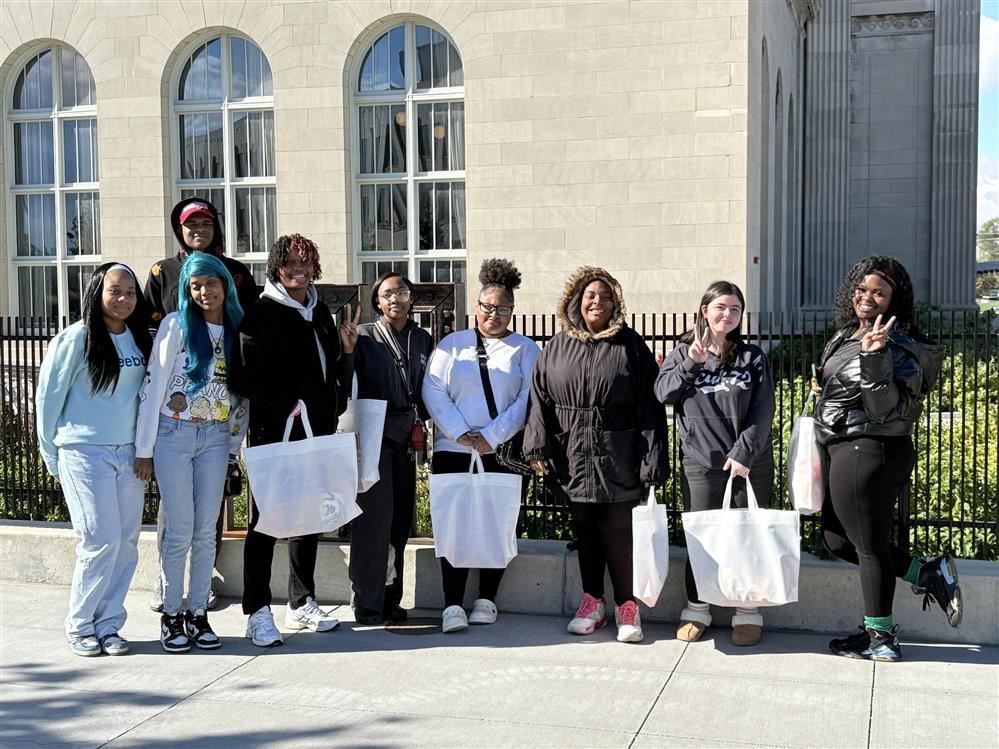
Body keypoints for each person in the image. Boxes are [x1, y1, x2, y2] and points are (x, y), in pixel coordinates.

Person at [815, 256, 957, 662]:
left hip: (870, 449)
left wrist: (875, 356)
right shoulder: (848, 333)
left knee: (870, 546)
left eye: (879, 292)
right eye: (862, 289)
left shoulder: (897, 345)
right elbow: (841, 387)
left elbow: (883, 409)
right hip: (844, 446)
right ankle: (928, 574)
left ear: (895, 298)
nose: (867, 297)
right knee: (836, 540)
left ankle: (881, 638)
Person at [524, 267, 668, 643]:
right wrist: (537, 444)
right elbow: (539, 398)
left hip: (618, 455)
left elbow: (649, 407)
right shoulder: (556, 346)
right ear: (575, 300)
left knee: (619, 534)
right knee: (585, 532)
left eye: (605, 297)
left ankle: (627, 605)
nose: (597, 302)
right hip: (572, 454)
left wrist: (653, 457)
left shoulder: (631, 346)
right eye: (590, 296)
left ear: (615, 304)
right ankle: (593, 602)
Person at [229, 233, 359, 647]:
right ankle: (256, 610)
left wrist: (346, 355)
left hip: (316, 430)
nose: (299, 270)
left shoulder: (320, 311)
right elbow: (243, 376)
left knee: (308, 518)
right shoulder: (259, 314)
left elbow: (330, 368)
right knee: (267, 522)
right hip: (275, 433)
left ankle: (301, 602)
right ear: (276, 268)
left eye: (306, 262)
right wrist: (285, 403)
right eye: (290, 263)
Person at [144, 197, 259, 613]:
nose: (198, 230)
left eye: (206, 224)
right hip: (176, 419)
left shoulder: (239, 273)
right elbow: (150, 337)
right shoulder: (163, 274)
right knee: (174, 519)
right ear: (179, 228)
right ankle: (166, 585)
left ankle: (199, 591)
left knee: (205, 521)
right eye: (191, 225)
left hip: (217, 422)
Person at [35, 264, 153, 657]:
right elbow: (48, 399)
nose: (123, 299)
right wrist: (51, 454)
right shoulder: (75, 339)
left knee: (126, 542)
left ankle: (109, 624)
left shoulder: (138, 339)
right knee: (98, 540)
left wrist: (144, 451)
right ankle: (81, 624)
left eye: (131, 292)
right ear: (96, 292)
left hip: (128, 455)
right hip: (83, 452)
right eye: (114, 291)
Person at [135, 253, 247, 653]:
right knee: (179, 530)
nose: (204, 292)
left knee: (205, 531)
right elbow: (153, 387)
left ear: (224, 285)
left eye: (210, 283)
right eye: (195, 285)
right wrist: (144, 449)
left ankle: (198, 613)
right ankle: (171, 613)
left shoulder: (237, 327)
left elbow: (240, 397)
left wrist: (234, 444)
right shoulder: (175, 325)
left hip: (216, 438)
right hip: (174, 433)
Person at [423, 259, 541, 633]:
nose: (494, 314)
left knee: (497, 522)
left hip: (500, 450)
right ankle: (452, 603)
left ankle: (487, 597)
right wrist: (459, 432)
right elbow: (433, 389)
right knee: (453, 523)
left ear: (512, 310)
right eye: (487, 307)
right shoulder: (451, 345)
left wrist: (491, 436)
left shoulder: (525, 349)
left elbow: (527, 398)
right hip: (452, 449)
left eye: (502, 308)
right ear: (476, 307)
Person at [654, 281, 775, 646]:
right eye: (720, 306)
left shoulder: (752, 357)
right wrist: (692, 361)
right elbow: (664, 393)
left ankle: (747, 611)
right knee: (702, 539)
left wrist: (743, 453)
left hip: (749, 462)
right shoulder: (681, 353)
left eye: (735, 309)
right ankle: (696, 608)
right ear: (705, 309)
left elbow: (763, 409)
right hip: (701, 462)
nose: (727, 314)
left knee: (746, 537)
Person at [348, 272, 433, 625]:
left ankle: (391, 597)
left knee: (400, 522)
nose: (396, 299)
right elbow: (347, 381)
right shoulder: (366, 336)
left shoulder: (423, 338)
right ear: (377, 302)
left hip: (406, 437)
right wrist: (347, 350)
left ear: (411, 297)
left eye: (402, 292)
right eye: (387, 294)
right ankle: (367, 601)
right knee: (373, 522)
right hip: (374, 435)